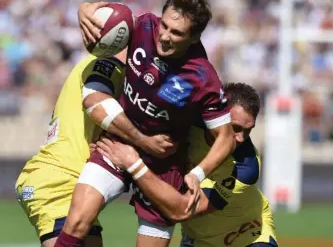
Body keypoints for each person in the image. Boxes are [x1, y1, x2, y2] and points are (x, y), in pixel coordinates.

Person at [55, 0, 235, 247]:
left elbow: (226, 139)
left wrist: (196, 174)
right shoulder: (143, 25)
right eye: (165, 25)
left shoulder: (203, 77)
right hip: (119, 144)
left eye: (176, 33)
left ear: (194, 37)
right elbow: (102, 15)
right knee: (76, 222)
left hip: (162, 163)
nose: (164, 36)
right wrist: (84, 10)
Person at [15, 48, 176, 247]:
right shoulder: (107, 64)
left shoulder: (119, 74)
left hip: (68, 181)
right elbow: (95, 103)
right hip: (57, 181)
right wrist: (143, 141)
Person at [95, 83, 279, 247]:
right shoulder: (189, 123)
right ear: (219, 114)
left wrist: (133, 163)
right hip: (198, 240)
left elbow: (181, 211)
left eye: (248, 130)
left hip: (247, 236)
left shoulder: (246, 166)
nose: (241, 138)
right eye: (236, 127)